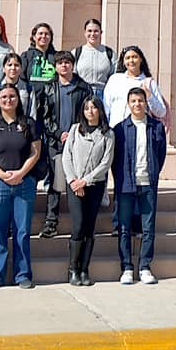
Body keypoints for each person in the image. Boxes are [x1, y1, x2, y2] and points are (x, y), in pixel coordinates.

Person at [0, 82, 42, 289]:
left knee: (22, 230)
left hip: (25, 183)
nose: (8, 100)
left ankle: (23, 275)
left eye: (12, 96)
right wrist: (2, 175)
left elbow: (35, 152)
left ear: (18, 99)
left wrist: (20, 174)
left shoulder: (29, 123)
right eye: (4, 97)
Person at [30, 50, 93, 239]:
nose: (64, 66)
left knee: (80, 182)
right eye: (60, 63)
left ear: (73, 65)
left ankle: (82, 224)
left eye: (67, 62)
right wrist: (58, 133)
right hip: (56, 143)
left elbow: (90, 113)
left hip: (79, 142)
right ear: (55, 67)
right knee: (57, 183)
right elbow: (45, 116)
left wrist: (77, 132)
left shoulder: (83, 88)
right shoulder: (48, 88)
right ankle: (51, 222)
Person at [113, 87, 166, 286]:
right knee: (125, 227)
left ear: (146, 103)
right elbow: (115, 160)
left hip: (148, 184)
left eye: (140, 101)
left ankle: (144, 266)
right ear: (128, 104)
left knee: (148, 227)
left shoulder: (156, 127)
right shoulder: (120, 129)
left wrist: (152, 174)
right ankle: (126, 267)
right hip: (127, 185)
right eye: (133, 101)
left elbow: (160, 156)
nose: (137, 104)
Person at [59, 95, 113, 286]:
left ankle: (84, 269)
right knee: (78, 225)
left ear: (100, 110)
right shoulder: (75, 130)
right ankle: (73, 269)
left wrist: (86, 181)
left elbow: (106, 163)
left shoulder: (108, 134)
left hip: (94, 185)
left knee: (90, 227)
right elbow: (67, 157)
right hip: (74, 184)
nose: (90, 112)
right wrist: (74, 181)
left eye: (94, 108)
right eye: (87, 108)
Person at [104, 44, 170, 128]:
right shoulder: (114, 80)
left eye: (134, 57)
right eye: (127, 58)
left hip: (139, 132)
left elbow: (161, 112)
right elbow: (106, 107)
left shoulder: (149, 83)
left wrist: (149, 97)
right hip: (116, 130)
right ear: (123, 62)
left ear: (141, 59)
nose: (131, 60)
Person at [72, 18, 117, 93]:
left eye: (96, 31)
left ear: (101, 33)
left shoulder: (110, 53)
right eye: (89, 31)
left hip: (103, 94)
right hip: (82, 93)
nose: (92, 34)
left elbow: (114, 76)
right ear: (85, 33)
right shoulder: (76, 52)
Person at [20, 21, 57, 89]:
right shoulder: (26, 56)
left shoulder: (57, 56)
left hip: (52, 97)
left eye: (47, 34)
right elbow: (22, 78)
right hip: (31, 96)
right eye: (40, 33)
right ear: (34, 37)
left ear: (51, 37)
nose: (43, 36)